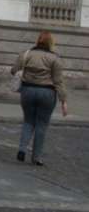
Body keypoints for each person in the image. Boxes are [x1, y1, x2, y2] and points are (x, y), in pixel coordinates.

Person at [11, 31, 68, 166]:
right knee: (41, 125)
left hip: (28, 91)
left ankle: (22, 149)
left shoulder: (26, 54)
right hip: (47, 93)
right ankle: (36, 157)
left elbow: (14, 70)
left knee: (28, 121)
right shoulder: (55, 58)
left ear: (38, 41)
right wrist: (64, 101)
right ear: (51, 43)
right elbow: (58, 81)